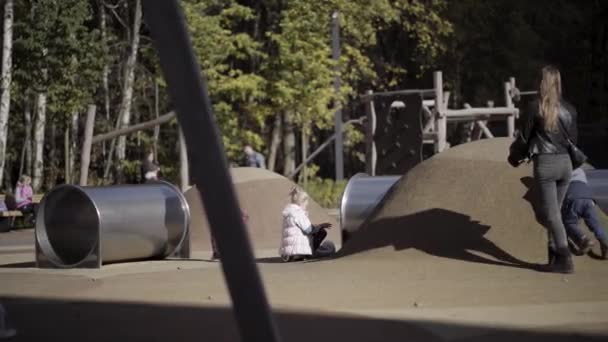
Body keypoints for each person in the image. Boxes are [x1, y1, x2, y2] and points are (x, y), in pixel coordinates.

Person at [508, 66, 578, 273]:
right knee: (552, 213)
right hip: (566, 165)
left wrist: (514, 157)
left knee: (548, 214)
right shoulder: (571, 109)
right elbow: (574, 141)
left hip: (546, 165)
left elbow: (523, 139)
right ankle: (554, 258)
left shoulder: (533, 107)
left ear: (541, 83)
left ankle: (565, 257)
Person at [562, 168, 608, 259]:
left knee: (569, 223)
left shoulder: (562, 167)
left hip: (573, 195)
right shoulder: (580, 170)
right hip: (588, 197)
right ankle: (604, 240)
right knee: (595, 223)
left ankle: (584, 240)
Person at [279, 187, 333, 262]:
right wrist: (320, 226)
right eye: (306, 204)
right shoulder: (299, 213)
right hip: (298, 250)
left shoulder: (288, 213)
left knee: (316, 230)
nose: (306, 206)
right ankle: (307, 254)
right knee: (322, 232)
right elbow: (308, 230)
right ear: (302, 202)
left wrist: (317, 225)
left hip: (287, 252)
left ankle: (293, 256)